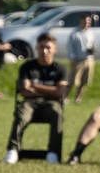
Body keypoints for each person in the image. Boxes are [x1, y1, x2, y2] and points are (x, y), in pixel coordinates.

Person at [4, 33, 68, 164]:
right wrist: (50, 90)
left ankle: (53, 153)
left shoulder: (60, 69)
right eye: (41, 47)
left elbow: (60, 92)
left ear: (54, 49)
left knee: (57, 114)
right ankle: (13, 150)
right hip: (30, 102)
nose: (45, 51)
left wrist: (36, 85)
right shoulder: (27, 67)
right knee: (21, 115)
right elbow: (26, 91)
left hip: (51, 103)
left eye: (48, 48)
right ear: (37, 48)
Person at [66, 15, 97, 105]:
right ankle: (65, 98)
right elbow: (70, 47)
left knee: (84, 82)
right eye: (86, 21)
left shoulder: (91, 33)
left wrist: (93, 51)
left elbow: (95, 45)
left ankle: (78, 99)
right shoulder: (74, 33)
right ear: (81, 21)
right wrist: (72, 58)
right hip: (77, 60)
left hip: (89, 60)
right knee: (71, 81)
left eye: (89, 22)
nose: (88, 24)